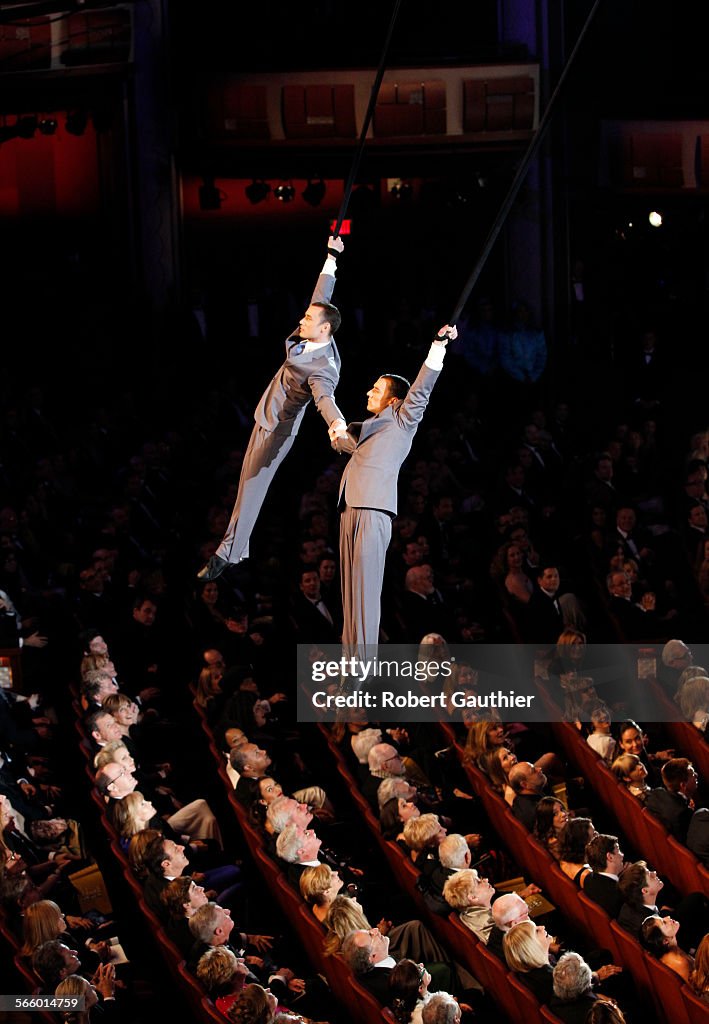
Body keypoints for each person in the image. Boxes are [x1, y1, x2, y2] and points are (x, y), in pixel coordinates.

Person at [198, 234, 346, 580]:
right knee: (246, 482)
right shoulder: (317, 331)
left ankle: (229, 553)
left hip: (278, 427)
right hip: (266, 415)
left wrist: (336, 424)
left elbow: (325, 399)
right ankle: (235, 549)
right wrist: (332, 256)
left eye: (309, 318)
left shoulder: (323, 369)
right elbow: (321, 297)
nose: (302, 319)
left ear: (323, 329)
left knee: (252, 484)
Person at [334, 324, 457, 659]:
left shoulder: (403, 418)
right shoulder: (368, 428)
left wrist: (438, 347)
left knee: (365, 589)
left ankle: (363, 664)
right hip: (350, 507)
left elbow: (422, 389)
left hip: (374, 508)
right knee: (349, 591)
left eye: (376, 389)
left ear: (393, 399)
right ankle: (351, 664)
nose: (368, 393)